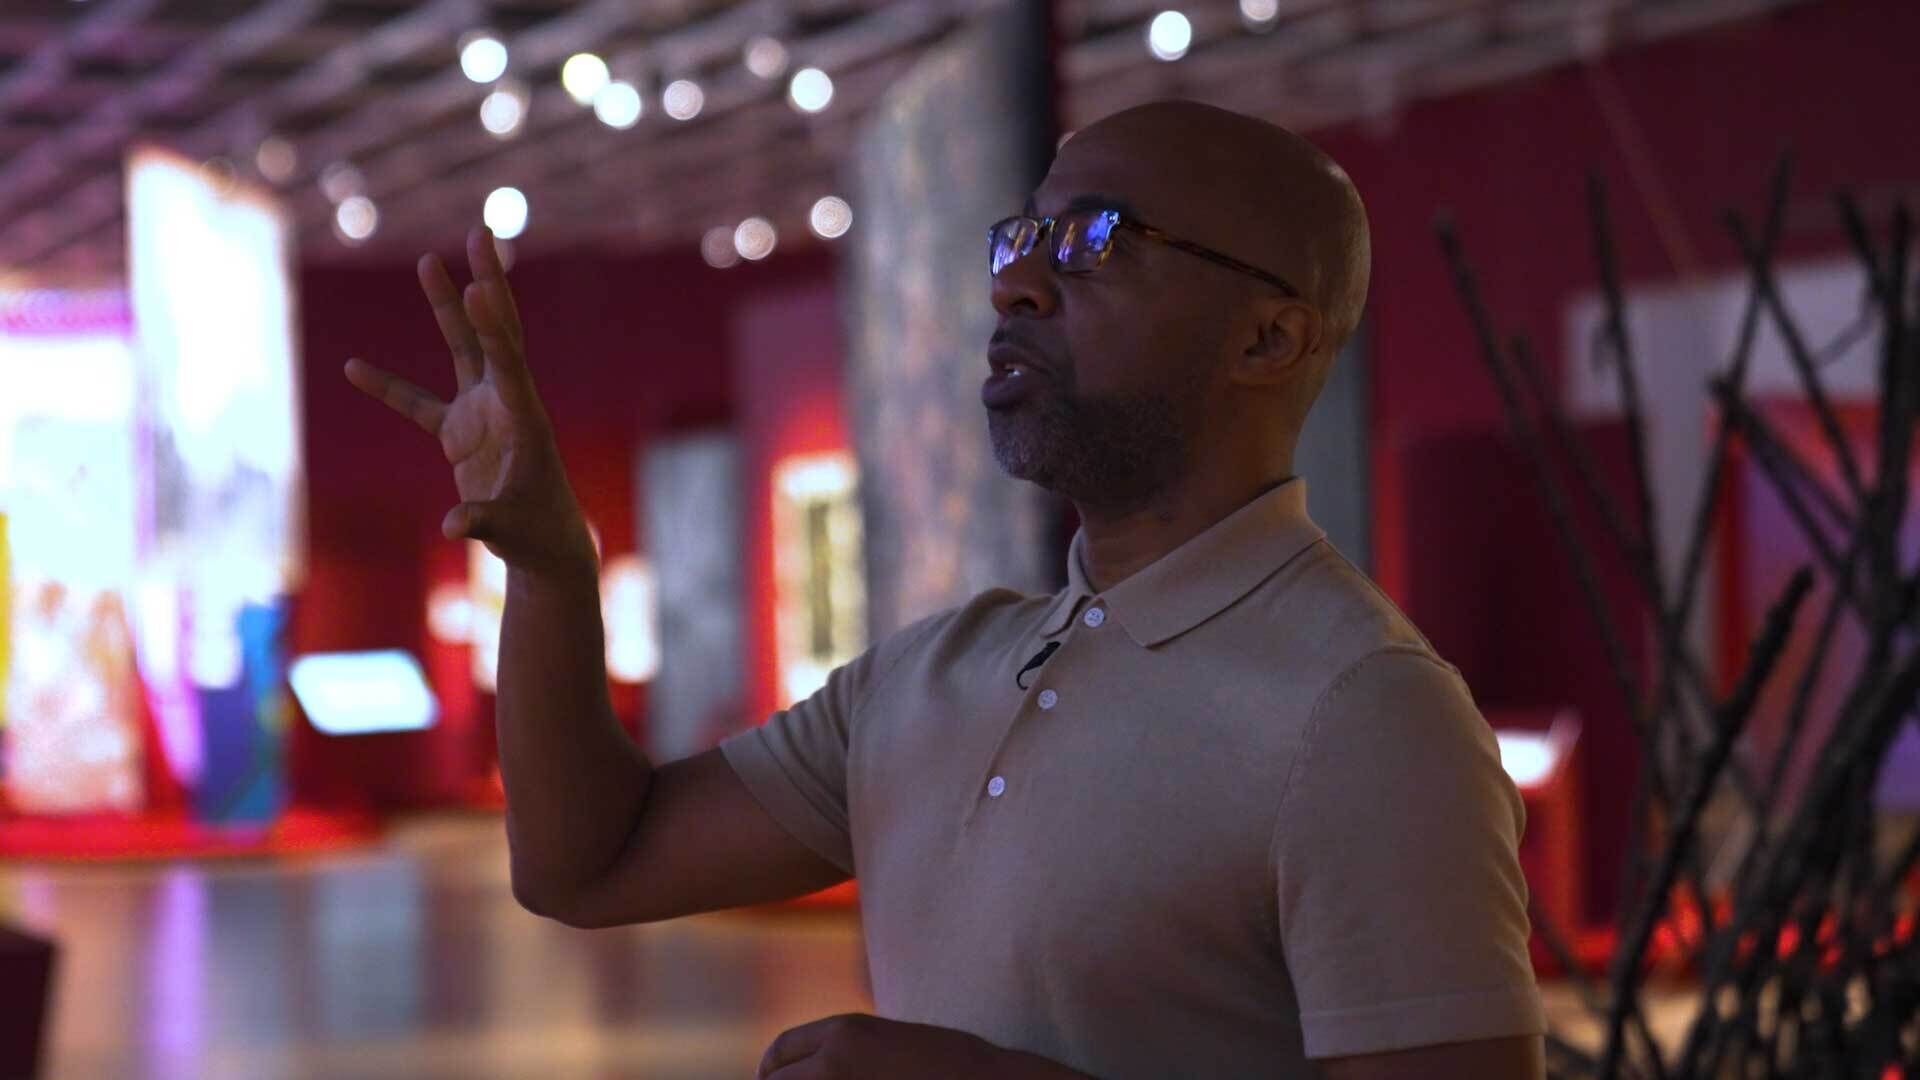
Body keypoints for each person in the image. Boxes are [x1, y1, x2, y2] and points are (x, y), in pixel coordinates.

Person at [347, 100, 1547, 1079]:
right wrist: (554, 569)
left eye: (1094, 242)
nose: (1016, 286)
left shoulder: (1365, 715)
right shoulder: (936, 672)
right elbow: (589, 865)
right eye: (1018, 241)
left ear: (1269, 341)